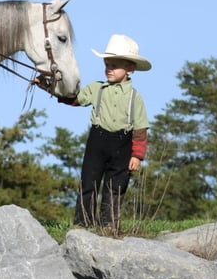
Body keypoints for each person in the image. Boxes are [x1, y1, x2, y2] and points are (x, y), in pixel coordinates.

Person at [57, 34, 151, 228]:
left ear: (130, 69)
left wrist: (137, 156)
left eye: (114, 66)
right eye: (107, 65)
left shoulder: (135, 98)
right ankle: (83, 221)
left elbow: (140, 128)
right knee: (88, 181)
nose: (109, 69)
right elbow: (76, 99)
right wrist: (54, 89)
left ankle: (109, 224)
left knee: (115, 186)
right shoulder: (97, 89)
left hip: (123, 144)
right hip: (97, 141)